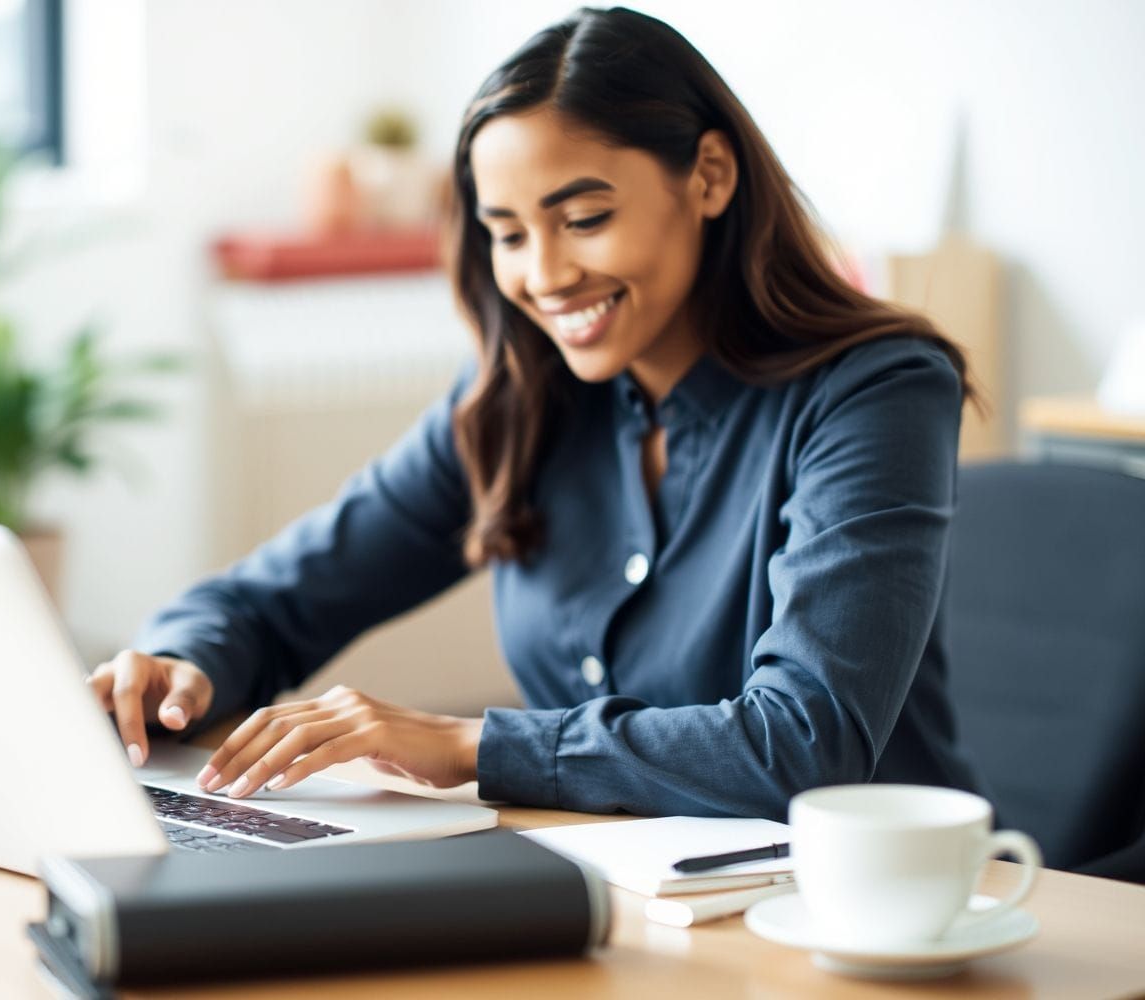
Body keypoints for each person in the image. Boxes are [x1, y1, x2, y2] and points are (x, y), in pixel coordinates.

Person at [88, 6, 981, 819]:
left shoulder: (876, 393)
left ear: (708, 175)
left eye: (584, 217)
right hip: (615, 901)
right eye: (509, 234)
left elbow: (804, 744)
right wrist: (181, 668)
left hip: (859, 925)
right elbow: (276, 600)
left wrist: (469, 744)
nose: (544, 276)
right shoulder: (521, 399)